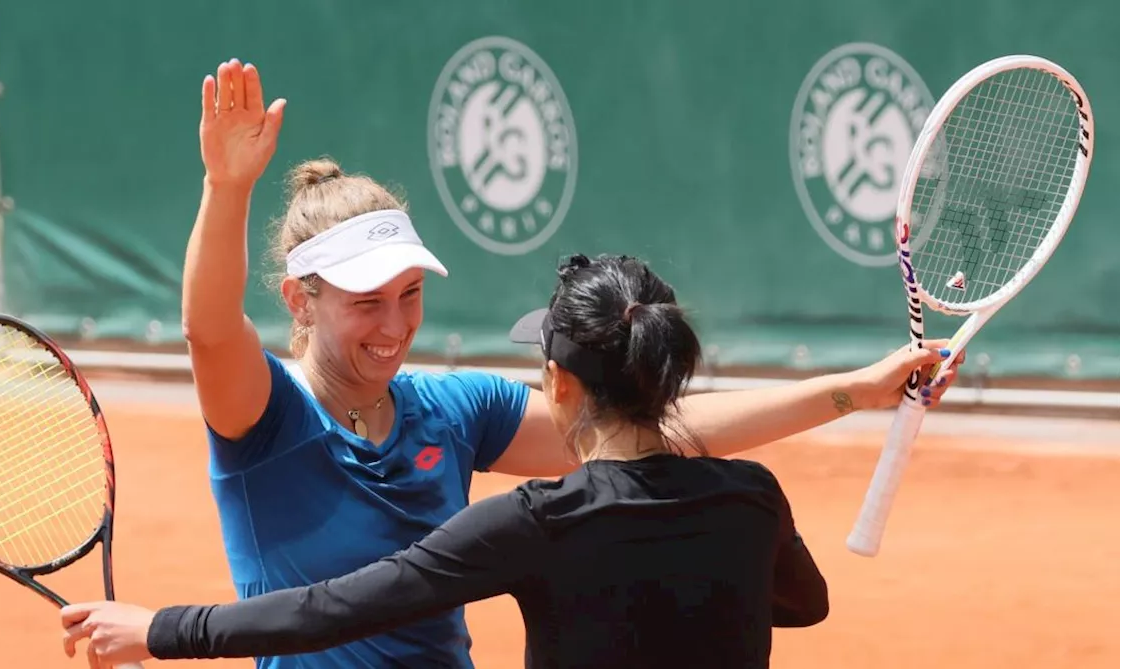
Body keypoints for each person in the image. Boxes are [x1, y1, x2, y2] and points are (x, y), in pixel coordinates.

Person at [83, 59, 963, 669]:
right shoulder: (262, 413)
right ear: (298, 299)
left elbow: (647, 427)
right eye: (365, 302)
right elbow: (207, 329)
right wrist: (226, 188)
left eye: (409, 295)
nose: (394, 326)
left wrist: (852, 390)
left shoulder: (451, 410)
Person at [60, 253, 830, 668]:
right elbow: (804, 605)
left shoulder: (537, 523)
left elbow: (331, 610)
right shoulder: (752, 496)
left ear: (558, 384)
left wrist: (159, 628)